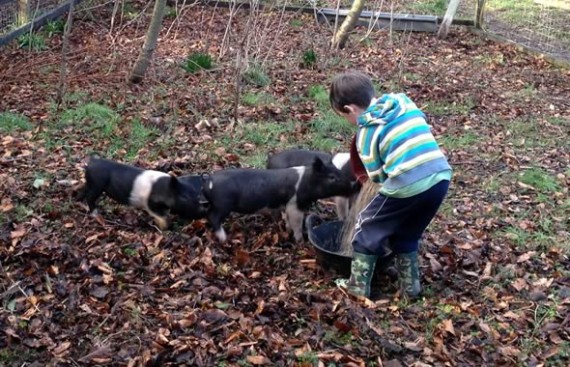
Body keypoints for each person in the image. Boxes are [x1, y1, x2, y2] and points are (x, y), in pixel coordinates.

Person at [329, 70, 452, 299]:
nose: (348, 121)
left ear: (350, 109)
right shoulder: (402, 101)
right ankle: (411, 290)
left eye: (344, 116)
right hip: (439, 177)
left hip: (406, 182)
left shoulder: (367, 133)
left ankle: (357, 288)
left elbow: (376, 177)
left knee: (366, 227)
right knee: (408, 233)